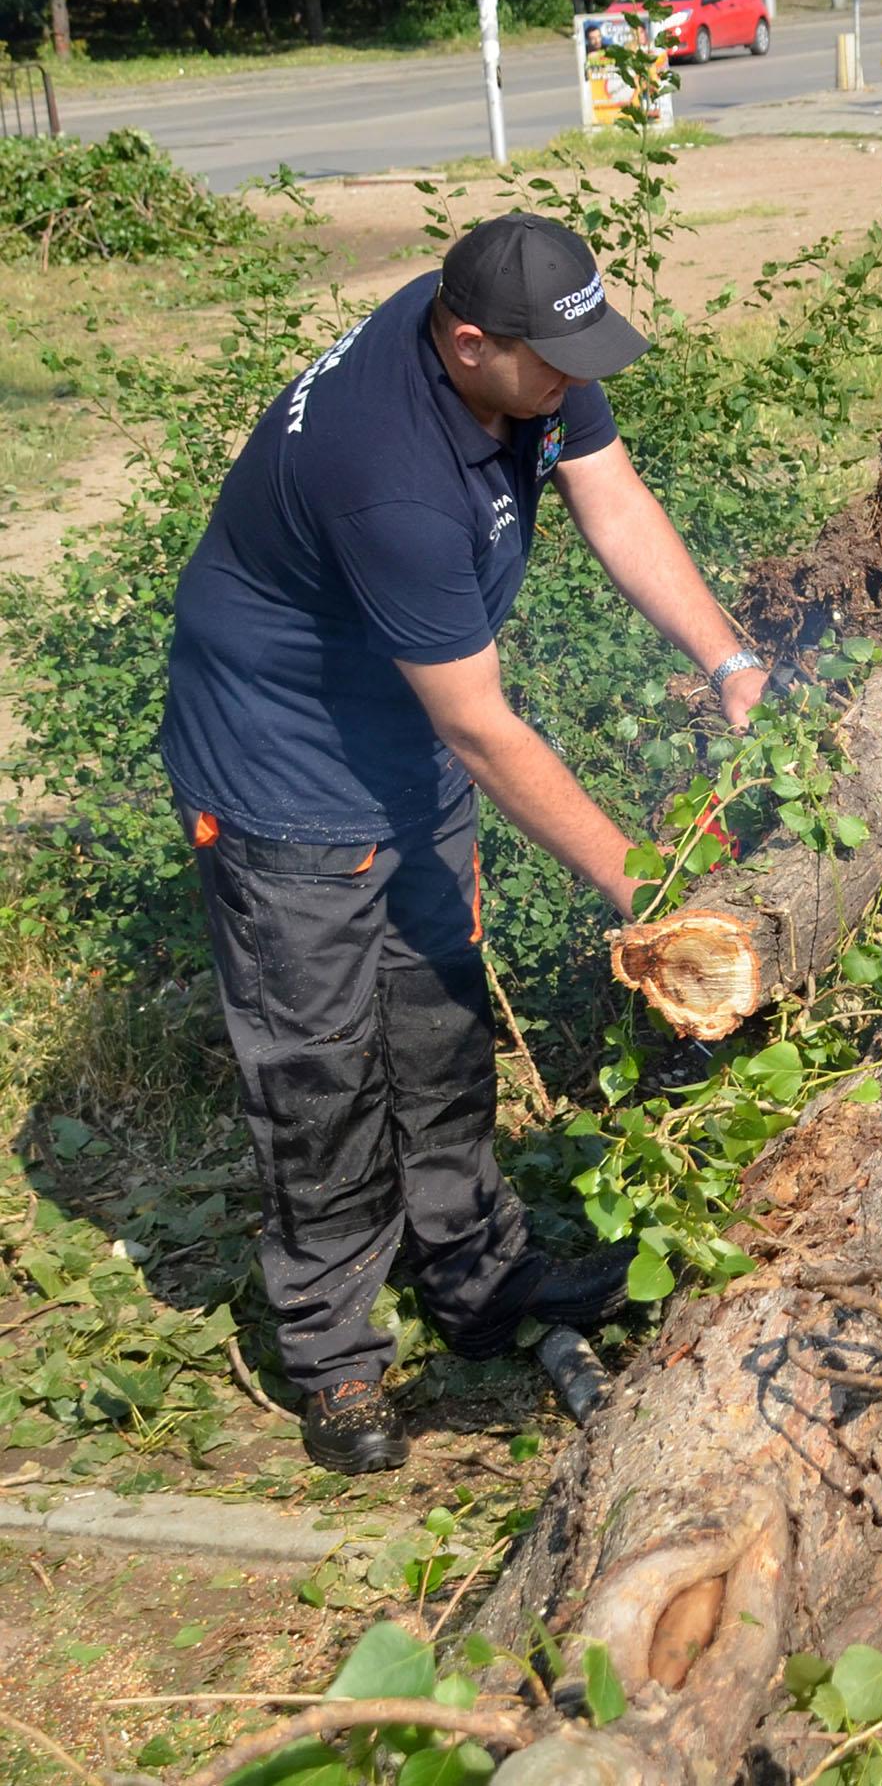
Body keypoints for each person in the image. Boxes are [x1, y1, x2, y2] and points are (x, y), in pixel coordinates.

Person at [159, 214, 774, 1474]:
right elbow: (487, 730)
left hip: (403, 747)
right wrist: (644, 891)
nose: (575, 381)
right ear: (468, 340)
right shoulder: (385, 470)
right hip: (281, 779)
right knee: (320, 1075)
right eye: (555, 361)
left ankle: (478, 1281)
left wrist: (728, 654)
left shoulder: (520, 349)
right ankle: (333, 1357)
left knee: (440, 1029)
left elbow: (610, 498)